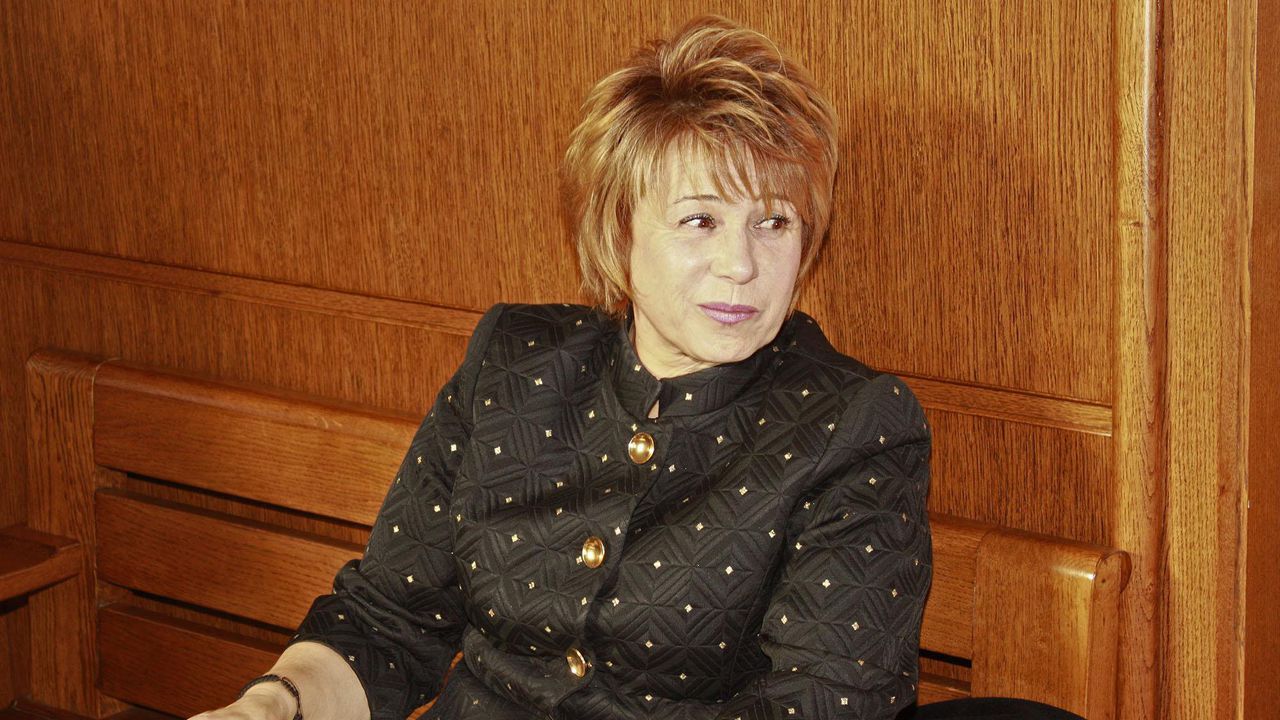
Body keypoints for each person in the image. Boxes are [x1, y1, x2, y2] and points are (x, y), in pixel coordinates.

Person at [193, 15, 933, 720]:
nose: (741, 264)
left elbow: (821, 702)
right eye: (699, 219)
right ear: (619, 231)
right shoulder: (513, 365)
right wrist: (271, 703)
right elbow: (387, 622)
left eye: (773, 221)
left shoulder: (851, 426)